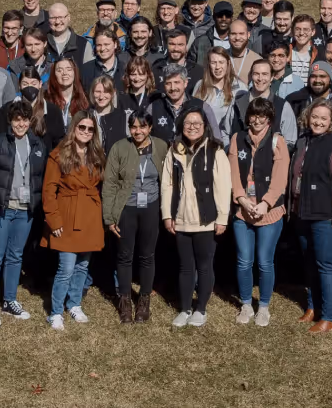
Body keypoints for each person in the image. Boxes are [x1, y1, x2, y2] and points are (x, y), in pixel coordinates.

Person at [0, 100, 48, 327]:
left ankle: (9, 300)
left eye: (25, 120)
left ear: (30, 121)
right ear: (10, 120)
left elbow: (40, 179)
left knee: (16, 255)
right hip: (1, 208)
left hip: (25, 210)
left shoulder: (37, 145)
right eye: (17, 120)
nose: (21, 124)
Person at [161, 106, 231, 328]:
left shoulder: (215, 150)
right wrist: (167, 214)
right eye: (188, 123)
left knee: (204, 266)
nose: (192, 127)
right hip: (181, 218)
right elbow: (167, 184)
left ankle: (201, 309)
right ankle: (185, 309)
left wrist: (222, 218)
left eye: (197, 123)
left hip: (206, 219)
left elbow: (223, 186)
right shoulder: (174, 150)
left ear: (205, 126)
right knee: (185, 266)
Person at [290, 100, 332, 333]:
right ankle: (313, 307)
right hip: (303, 212)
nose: (318, 122)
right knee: (310, 264)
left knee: (328, 266)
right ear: (308, 117)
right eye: (314, 117)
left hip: (327, 216)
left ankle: (329, 316)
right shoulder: (303, 141)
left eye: (323, 118)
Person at [42, 112, 106, 330]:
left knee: (82, 266)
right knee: (66, 268)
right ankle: (56, 312)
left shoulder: (97, 154)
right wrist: (54, 220)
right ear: (74, 128)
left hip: (89, 216)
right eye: (82, 127)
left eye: (90, 129)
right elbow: (48, 191)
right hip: (67, 215)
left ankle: (75, 304)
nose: (86, 132)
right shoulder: (59, 154)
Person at [102, 112, 168, 324]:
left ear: (150, 128)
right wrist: (110, 217)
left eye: (142, 127)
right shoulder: (120, 148)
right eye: (134, 127)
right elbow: (110, 183)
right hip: (126, 208)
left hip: (151, 207)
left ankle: (144, 300)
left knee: (147, 255)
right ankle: (125, 301)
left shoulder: (160, 146)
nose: (138, 131)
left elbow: (169, 179)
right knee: (125, 256)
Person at [228, 98, 289, 326]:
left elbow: (280, 178)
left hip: (269, 212)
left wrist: (266, 203)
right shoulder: (237, 139)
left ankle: (263, 307)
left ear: (269, 119)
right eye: (253, 115)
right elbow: (234, 174)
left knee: (264, 261)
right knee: (244, 261)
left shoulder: (277, 141)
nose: (257, 120)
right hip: (243, 211)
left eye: (262, 116)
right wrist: (242, 199)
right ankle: (246, 305)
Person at [228, 60, 298, 148]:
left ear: (272, 77)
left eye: (265, 74)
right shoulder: (238, 103)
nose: (260, 78)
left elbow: (290, 141)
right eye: (256, 74)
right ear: (251, 76)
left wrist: (276, 154)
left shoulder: (282, 106)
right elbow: (226, 132)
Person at [147, 63, 220, 144]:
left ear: (185, 83)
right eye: (168, 83)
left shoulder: (202, 107)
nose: (173, 88)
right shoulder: (153, 108)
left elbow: (217, 139)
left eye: (176, 82)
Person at [194, 47, 246, 137]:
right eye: (213, 63)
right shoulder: (200, 85)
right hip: (203, 138)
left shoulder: (239, 88)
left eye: (221, 62)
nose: (217, 67)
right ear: (209, 64)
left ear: (228, 63)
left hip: (228, 140)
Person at [45, 58, 90, 136]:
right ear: (54, 75)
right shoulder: (46, 100)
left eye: (69, 69)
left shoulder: (86, 100)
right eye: (59, 70)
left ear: (75, 73)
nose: (64, 73)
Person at [89, 75, 128, 154]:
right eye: (98, 92)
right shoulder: (85, 116)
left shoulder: (123, 117)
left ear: (113, 93)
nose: (101, 96)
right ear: (92, 93)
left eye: (106, 92)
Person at [189, 1, 234, 69]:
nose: (224, 19)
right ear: (214, 17)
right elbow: (190, 66)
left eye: (228, 15)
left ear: (231, 18)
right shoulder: (200, 42)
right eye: (220, 15)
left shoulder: (238, 41)